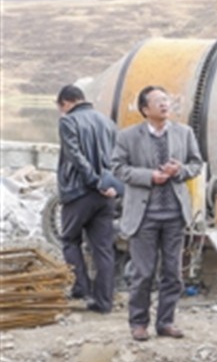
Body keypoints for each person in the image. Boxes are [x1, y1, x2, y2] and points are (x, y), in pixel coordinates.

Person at [113, 85, 203, 341]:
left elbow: (196, 164)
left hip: (174, 214)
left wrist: (180, 171)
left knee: (173, 273)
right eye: (158, 101)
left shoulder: (184, 133)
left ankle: (165, 322)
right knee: (143, 273)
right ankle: (139, 323)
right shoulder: (128, 136)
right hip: (144, 216)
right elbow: (117, 168)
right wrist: (149, 176)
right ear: (145, 109)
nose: (165, 104)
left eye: (166, 100)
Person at [55, 84, 120, 314]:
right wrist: (110, 185)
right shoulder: (108, 122)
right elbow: (117, 159)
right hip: (106, 195)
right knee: (103, 248)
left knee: (69, 240)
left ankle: (81, 287)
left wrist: (93, 181)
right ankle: (104, 302)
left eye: (60, 107)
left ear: (66, 103)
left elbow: (74, 156)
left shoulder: (68, 122)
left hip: (79, 192)